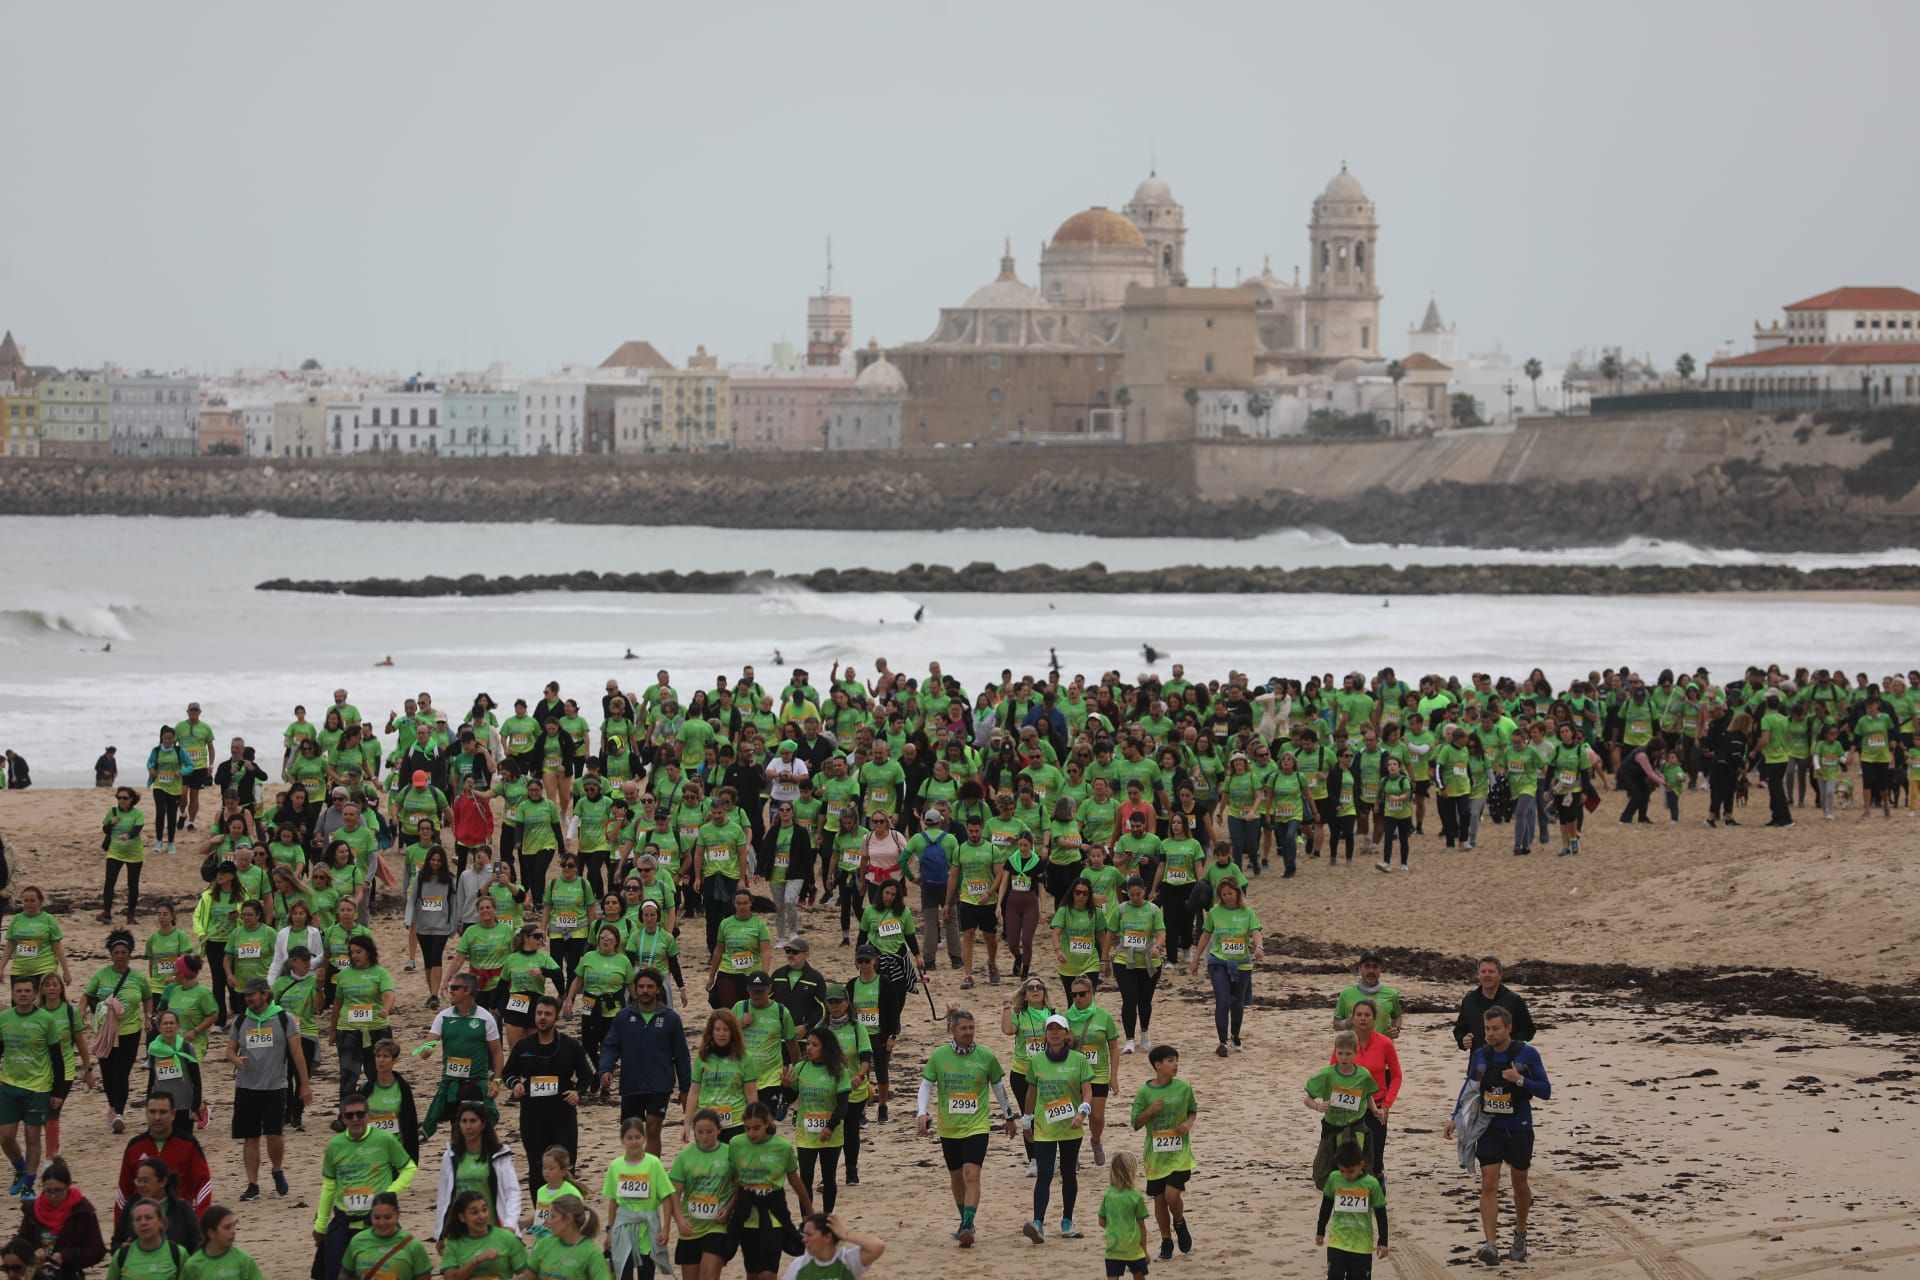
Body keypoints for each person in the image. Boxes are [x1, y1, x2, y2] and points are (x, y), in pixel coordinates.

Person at [1444, 1005, 1552, 1265]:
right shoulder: (1481, 1055)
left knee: (1520, 1185)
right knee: (1489, 1182)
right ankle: (1490, 1244)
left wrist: (1519, 1079)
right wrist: (1455, 1117)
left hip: (1519, 1128)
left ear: (1508, 1029)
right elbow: (1470, 1088)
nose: (1490, 1034)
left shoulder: (1527, 1054)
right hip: (1490, 1128)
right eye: (1487, 1029)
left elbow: (1546, 1091)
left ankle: (1520, 1232)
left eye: (1495, 1029)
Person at [917, 1006, 1019, 1249]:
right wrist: (921, 1112)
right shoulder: (939, 1056)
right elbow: (926, 1085)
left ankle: (967, 1225)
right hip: (949, 1128)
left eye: (972, 1028)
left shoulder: (986, 1056)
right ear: (952, 1030)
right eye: (963, 1028)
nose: (969, 1032)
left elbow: (998, 1087)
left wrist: (1009, 1116)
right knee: (956, 1178)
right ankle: (964, 1220)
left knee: (971, 1174)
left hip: (977, 1126)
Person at [312, 1098, 418, 1280]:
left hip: (378, 1219)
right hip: (344, 1221)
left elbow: (409, 1168)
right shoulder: (334, 1146)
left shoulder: (384, 1139)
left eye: (360, 1114)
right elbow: (329, 1186)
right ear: (343, 1118)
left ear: (368, 1116)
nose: (355, 1119)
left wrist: (390, 1194)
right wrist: (320, 1224)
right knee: (333, 1271)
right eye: (349, 1115)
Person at [225, 976, 310, 1201]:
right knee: (250, 1137)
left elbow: (297, 1054)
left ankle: (277, 1169)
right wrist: (234, 1059)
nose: (248, 999)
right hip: (246, 1088)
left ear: (264, 994)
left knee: (274, 1135)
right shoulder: (241, 1020)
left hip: (275, 1086)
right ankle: (252, 1184)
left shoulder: (284, 1019)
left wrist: (305, 1084)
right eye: (245, 996)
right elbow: (230, 1050)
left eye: (252, 995)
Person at [598, 968, 692, 1158]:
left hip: (660, 1084)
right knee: (632, 1132)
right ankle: (634, 1169)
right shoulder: (623, 1018)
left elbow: (681, 1055)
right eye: (641, 986)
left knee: (653, 1127)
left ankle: (651, 1172)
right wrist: (605, 1069)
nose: (645, 990)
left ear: (659, 990)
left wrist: (685, 1088)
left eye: (650, 987)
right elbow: (610, 1046)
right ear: (634, 989)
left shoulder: (671, 1019)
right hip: (631, 1083)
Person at [504, 995, 596, 1186]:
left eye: (547, 1014)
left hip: (562, 1117)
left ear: (556, 1018)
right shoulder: (524, 1046)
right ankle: (541, 1212)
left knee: (565, 1168)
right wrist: (515, 1085)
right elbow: (507, 1073)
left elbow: (588, 1074)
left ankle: (566, 1213)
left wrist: (578, 1092)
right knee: (537, 1169)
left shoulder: (571, 1046)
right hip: (532, 1117)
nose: (542, 1018)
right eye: (539, 1013)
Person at [1020, 1012, 1093, 1245]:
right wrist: (1026, 1120)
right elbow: (1031, 1092)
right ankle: (1038, 1223)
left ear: (1066, 1033)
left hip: (1072, 1126)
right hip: (1045, 1127)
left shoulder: (1078, 1060)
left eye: (1058, 1029)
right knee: (1044, 1174)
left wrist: (1082, 1112)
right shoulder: (1036, 1061)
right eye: (1050, 1029)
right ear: (1046, 1034)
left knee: (1069, 1173)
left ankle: (1067, 1221)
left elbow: (1088, 1091)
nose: (1054, 1032)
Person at [416, 972, 504, 1139]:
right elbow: (429, 1041)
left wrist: (497, 1081)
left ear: (468, 990)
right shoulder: (444, 1016)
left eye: (455, 988)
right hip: (452, 1085)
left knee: (481, 1132)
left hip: (476, 1084)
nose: (451, 991)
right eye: (450, 988)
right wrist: (426, 1049)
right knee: (457, 1130)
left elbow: (497, 1052)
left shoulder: (485, 1017)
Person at [1130, 1044, 1195, 1260]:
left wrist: (1188, 1123)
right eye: (1170, 1060)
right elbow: (1135, 1123)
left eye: (1176, 1060)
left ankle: (1179, 1222)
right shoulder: (1145, 1091)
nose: (1175, 1064)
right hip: (1155, 1156)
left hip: (1179, 1153)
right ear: (1157, 1065)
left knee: (1172, 1194)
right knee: (1159, 1200)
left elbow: (1192, 1111)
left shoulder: (1184, 1088)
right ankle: (1166, 1239)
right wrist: (1149, 1111)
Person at [0, 973, 62, 1198]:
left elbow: (57, 1058)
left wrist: (58, 1091)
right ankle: (19, 1168)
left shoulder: (46, 1019)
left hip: (38, 1087)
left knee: (32, 1137)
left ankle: (28, 1184)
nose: (23, 995)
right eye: (19, 991)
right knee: (5, 1137)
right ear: (14, 994)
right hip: (8, 1085)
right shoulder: (4, 1018)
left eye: (27, 991)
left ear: (35, 994)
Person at [84, 930, 150, 1134]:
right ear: (111, 954)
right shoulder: (101, 974)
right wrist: (80, 1015)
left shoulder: (138, 977)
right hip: (105, 1032)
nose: (120, 955)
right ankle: (113, 1105)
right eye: (116, 952)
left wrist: (148, 1017)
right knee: (108, 1072)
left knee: (122, 1072)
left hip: (130, 1031)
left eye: (124, 952)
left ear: (129, 954)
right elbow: (87, 995)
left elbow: (147, 997)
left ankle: (119, 1113)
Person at [1189, 879, 1263, 1056]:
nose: (1228, 897)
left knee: (1237, 1003)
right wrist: (1196, 958)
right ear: (1220, 896)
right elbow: (1206, 935)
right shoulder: (1215, 912)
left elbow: (1256, 932)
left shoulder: (1248, 912)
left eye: (1230, 893)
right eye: (1224, 894)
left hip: (1242, 964)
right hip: (1218, 962)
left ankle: (1235, 1035)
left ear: (1238, 892)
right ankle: (1222, 1041)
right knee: (1223, 999)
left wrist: (1259, 947)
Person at [430, 1101, 522, 1242]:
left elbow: (512, 1192)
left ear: (483, 1124)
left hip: (493, 1232)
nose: (468, 1126)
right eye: (464, 1121)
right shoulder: (451, 1156)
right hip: (460, 1234)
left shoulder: (498, 1155)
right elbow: (444, 1198)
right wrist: (440, 1234)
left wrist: (510, 1225)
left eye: (473, 1121)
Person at [114, 1095, 212, 1226]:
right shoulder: (135, 1147)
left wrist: (199, 1221)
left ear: (173, 1114)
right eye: (152, 1112)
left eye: (163, 1112)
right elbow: (123, 1193)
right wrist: (120, 1233)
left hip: (179, 1224)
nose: (157, 1117)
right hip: (143, 1226)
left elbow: (204, 1184)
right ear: (146, 1114)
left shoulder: (188, 1144)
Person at [785, 1027, 852, 1216]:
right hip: (806, 1132)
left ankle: (828, 1218)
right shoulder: (801, 1067)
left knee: (828, 1178)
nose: (809, 1049)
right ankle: (807, 1219)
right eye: (808, 1044)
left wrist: (830, 1126)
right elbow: (791, 1098)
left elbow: (843, 1104)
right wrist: (786, 1087)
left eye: (815, 1045)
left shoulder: (839, 1071)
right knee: (805, 1178)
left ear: (826, 1047)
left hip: (831, 1133)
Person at [1303, 1030, 1383, 1189]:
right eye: (1340, 1053)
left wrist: (1374, 1110)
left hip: (1356, 1127)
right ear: (1335, 1052)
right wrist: (1318, 1106)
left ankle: (1363, 1194)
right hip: (1332, 1128)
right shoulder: (1327, 1074)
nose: (1343, 1058)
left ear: (1356, 1052)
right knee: (1322, 1175)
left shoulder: (1363, 1075)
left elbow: (1367, 1094)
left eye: (1348, 1053)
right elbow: (1307, 1099)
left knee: (1358, 1169)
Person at [327, 934, 395, 1115]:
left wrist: (386, 1009)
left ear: (369, 952)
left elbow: (388, 995)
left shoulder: (380, 973)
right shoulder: (344, 974)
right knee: (349, 1074)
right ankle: (345, 1115)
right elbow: (338, 1004)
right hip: (348, 1030)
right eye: (352, 952)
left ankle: (378, 1110)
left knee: (376, 1074)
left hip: (377, 1030)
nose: (355, 956)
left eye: (359, 952)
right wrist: (332, 1031)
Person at [670, 1109, 739, 1280]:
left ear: (719, 1130)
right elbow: (674, 1193)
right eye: (700, 1132)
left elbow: (740, 1185)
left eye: (709, 1132)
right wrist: (679, 1219)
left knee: (709, 1276)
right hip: (690, 1226)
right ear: (694, 1131)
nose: (705, 1137)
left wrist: (729, 1208)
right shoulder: (684, 1157)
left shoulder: (730, 1153)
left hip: (717, 1225)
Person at [602, 1116, 673, 1280]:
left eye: (637, 1137)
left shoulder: (653, 1163)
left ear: (644, 1138)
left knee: (647, 1274)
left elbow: (667, 1197)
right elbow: (613, 1202)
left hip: (648, 1230)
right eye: (629, 1138)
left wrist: (666, 1228)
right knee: (623, 1275)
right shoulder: (615, 1166)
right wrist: (610, 1231)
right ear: (622, 1140)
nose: (634, 1142)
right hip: (623, 1228)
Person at [1341, 999, 1402, 1184]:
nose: (1363, 1019)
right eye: (1359, 1015)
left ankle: (1377, 1180)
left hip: (1376, 1106)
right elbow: (1332, 1073)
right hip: (1349, 1106)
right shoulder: (1345, 1043)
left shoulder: (1385, 1043)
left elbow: (1397, 1076)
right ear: (1352, 1019)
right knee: (1350, 1155)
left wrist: (1387, 1105)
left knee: (1375, 1156)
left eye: (1367, 1015)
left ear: (1374, 1019)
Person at [13, 1158, 105, 1280]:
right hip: (35, 1273)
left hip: (68, 1274)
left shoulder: (82, 1211)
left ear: (68, 1187)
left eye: (58, 1191)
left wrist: (67, 1256)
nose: (52, 1196)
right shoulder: (33, 1209)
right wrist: (32, 1253)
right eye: (48, 1191)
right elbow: (21, 1241)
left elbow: (97, 1250)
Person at [1315, 1139, 1389, 1279]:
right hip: (1337, 1241)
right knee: (1334, 1276)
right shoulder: (1334, 1178)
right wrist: (1320, 1230)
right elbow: (1326, 1205)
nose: (1346, 1176)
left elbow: (1380, 1213)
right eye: (1342, 1171)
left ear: (1361, 1165)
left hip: (1362, 1245)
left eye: (1350, 1171)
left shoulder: (1372, 1184)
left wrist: (1383, 1241)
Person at [1065, 975, 1120, 1164]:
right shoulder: (1065, 1018)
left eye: (1082, 994)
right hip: (1074, 1074)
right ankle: (1073, 1154)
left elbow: (1113, 1047)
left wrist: (1114, 1077)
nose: (1078, 998)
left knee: (1096, 1116)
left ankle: (1096, 1141)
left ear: (1091, 994)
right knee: (1074, 1116)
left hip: (1098, 1074)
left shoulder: (1103, 1017)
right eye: (1074, 995)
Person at [686, 1010, 757, 1141]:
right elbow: (694, 1092)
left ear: (733, 1032)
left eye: (726, 1030)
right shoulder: (702, 1057)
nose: (721, 1034)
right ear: (711, 1032)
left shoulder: (745, 1058)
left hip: (736, 1122)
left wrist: (755, 1123)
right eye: (717, 1029)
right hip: (706, 1123)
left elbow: (751, 1094)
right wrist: (687, 1124)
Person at [108, 1157, 197, 1252]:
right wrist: (123, 1248)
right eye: (139, 1181)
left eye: (146, 1181)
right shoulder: (131, 1206)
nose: (141, 1185)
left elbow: (196, 1243)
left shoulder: (181, 1207)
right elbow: (115, 1244)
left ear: (163, 1182)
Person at [435, 1189, 527, 1280]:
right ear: (462, 1217)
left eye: (484, 1210)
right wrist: (476, 1261)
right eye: (475, 1212)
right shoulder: (453, 1243)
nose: (482, 1216)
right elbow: (450, 1278)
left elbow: (528, 1274)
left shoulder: (507, 1238)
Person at [338, 1193, 431, 1280]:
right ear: (371, 1217)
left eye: (387, 1217)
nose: (382, 1223)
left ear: (397, 1215)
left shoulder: (413, 1245)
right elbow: (345, 1274)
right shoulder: (357, 1241)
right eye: (377, 1218)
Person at [1451, 957, 1536, 1052]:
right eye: (1483, 971)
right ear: (1478, 975)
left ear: (1500, 975)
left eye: (1491, 971)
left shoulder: (1514, 1000)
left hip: (1509, 1060)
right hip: (1479, 1060)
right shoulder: (1469, 1000)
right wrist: (1463, 1040)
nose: (1487, 975)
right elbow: (1459, 1029)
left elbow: (1529, 1031)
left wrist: (1509, 1043)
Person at [361, 1040, 421, 1167]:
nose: (381, 1060)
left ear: (394, 1061)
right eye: (378, 1056)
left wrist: (411, 1159)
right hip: (370, 1154)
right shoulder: (365, 1089)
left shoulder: (403, 1089)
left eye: (386, 1056)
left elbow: (410, 1125)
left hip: (395, 1154)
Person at [527, 1193, 610, 1280]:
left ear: (568, 1219)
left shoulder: (591, 1253)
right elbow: (529, 1275)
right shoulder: (545, 1243)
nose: (547, 1221)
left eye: (553, 1217)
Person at [782, 1212, 884, 1280]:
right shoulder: (799, 1266)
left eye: (809, 1235)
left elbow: (877, 1246)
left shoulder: (847, 1261)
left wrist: (845, 1233)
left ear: (827, 1237)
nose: (804, 1240)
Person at [104, 1198, 185, 1280]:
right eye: (138, 1219)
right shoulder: (121, 1255)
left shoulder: (178, 1254)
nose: (143, 1223)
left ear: (161, 1221)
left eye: (148, 1218)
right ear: (133, 1225)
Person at [100, 788, 148, 925]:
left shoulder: (137, 814)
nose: (121, 800)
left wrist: (127, 836)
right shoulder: (113, 812)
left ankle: (131, 915)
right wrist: (110, 824)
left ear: (132, 799)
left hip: (134, 854)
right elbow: (105, 829)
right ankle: (107, 912)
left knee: (132, 885)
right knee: (109, 882)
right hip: (115, 853)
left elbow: (137, 830)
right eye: (119, 798)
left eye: (125, 798)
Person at [1099, 1152, 1151, 1280]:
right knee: (1139, 1276)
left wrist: (1114, 1226)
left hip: (1113, 1247)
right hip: (1133, 1248)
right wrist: (1144, 1250)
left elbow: (1101, 1222)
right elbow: (1142, 1228)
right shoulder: (1136, 1197)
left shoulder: (1107, 1195)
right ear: (1131, 1172)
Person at [179, 1205, 266, 1280]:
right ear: (211, 1233)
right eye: (227, 1227)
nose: (233, 1231)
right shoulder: (192, 1265)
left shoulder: (243, 1259)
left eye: (234, 1225)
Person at [1332, 952, 1403, 1039]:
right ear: (1360, 969)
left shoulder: (1391, 994)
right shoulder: (1346, 994)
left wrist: (1396, 1028)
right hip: (1356, 1049)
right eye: (1367, 966)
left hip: (1382, 1048)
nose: (1371, 971)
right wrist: (1348, 1022)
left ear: (1380, 969)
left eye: (1375, 966)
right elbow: (1336, 1025)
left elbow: (1397, 1016)